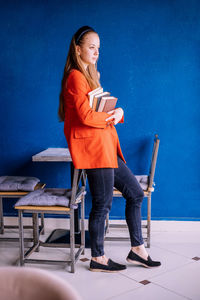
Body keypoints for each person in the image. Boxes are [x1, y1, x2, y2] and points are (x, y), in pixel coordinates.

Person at [58, 26, 161, 273]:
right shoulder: (75, 77)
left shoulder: (90, 75)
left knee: (135, 193)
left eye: (98, 48)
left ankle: (137, 249)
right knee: (102, 204)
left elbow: (98, 110)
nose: (96, 52)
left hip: (105, 148)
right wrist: (110, 116)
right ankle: (98, 258)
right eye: (91, 47)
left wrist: (118, 112)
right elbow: (84, 116)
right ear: (78, 48)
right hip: (94, 150)